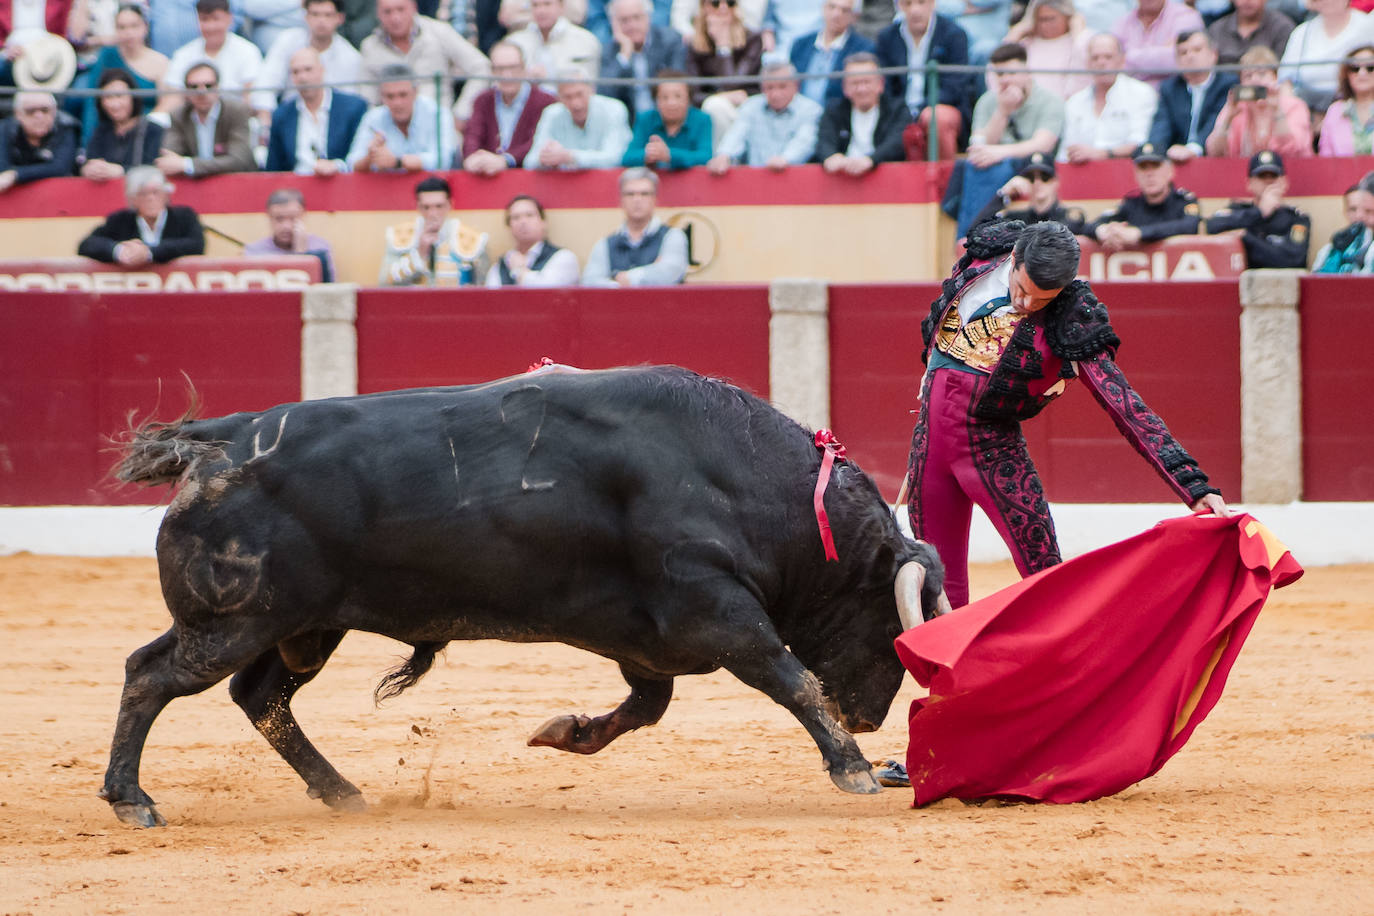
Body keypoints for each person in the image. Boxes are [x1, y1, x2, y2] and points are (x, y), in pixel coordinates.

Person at [901, 218, 1229, 609]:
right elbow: (941, 318)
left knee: (1048, 580)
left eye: (1041, 300)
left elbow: (1123, 403)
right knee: (937, 588)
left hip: (991, 451)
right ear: (1015, 258)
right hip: (930, 445)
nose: (1026, 304)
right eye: (1022, 290)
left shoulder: (1071, 314)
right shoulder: (984, 255)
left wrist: (1192, 485)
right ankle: (946, 672)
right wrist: (932, 366)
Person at [358, 0, 491, 125]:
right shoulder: (370, 46)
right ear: (378, 14)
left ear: (414, 7)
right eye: (388, 11)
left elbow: (481, 66)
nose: (395, 18)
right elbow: (367, 98)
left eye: (400, 9)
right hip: (392, 131)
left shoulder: (439, 32)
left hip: (439, 126)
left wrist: (461, 114)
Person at [876, 0, 972, 161]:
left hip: (941, 107)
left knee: (935, 118)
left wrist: (920, 109)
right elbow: (885, 86)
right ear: (899, 5)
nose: (915, 10)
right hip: (899, 110)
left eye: (921, 2)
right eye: (908, 3)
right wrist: (903, 111)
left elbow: (954, 87)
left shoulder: (954, 34)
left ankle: (945, 180)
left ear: (933, 3)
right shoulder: (886, 37)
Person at [265, 47, 369, 173]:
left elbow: (360, 158)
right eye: (295, 72)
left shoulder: (353, 108)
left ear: (322, 70)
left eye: (308, 69)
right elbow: (273, 170)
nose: (302, 77)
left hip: (341, 185)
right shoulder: (282, 115)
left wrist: (337, 166)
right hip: (296, 188)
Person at [1058, 32, 1157, 163]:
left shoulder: (1142, 93)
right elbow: (1066, 152)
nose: (1101, 63)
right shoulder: (1075, 102)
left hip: (1128, 171)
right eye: (1095, 58)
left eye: (1108, 57)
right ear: (1087, 63)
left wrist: (1101, 153)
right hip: (1083, 173)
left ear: (1122, 61)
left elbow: (1139, 143)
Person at [158, 0, 267, 119]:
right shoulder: (183, 54)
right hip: (192, 124)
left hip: (235, 121)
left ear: (229, 19)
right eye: (204, 19)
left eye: (216, 19)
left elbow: (251, 99)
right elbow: (174, 98)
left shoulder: (248, 51)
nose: (210, 26)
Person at [707, 60, 821, 172]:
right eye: (770, 87)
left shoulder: (811, 110)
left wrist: (785, 159)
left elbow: (804, 142)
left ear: (796, 86)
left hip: (794, 178)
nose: (776, 94)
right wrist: (724, 156)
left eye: (782, 86)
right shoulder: (751, 106)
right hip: (756, 180)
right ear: (762, 88)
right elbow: (737, 133)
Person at [460, 41, 557, 173]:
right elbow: (472, 135)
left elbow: (538, 142)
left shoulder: (545, 101)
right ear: (492, 72)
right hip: (486, 177)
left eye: (513, 68)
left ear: (524, 68)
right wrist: (472, 158)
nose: (507, 75)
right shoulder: (482, 100)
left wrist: (506, 160)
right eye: (499, 69)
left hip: (528, 179)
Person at [76, 3, 167, 143]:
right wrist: (87, 143)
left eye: (134, 26)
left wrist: (141, 124)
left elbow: (167, 103)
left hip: (147, 135)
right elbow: (92, 101)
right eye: (122, 27)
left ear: (145, 27)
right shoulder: (107, 55)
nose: (128, 32)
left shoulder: (161, 62)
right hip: (110, 136)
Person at [582, 166, 688, 285]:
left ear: (655, 199)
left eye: (644, 194)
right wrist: (618, 285)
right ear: (621, 200)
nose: (637, 199)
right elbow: (589, 282)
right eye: (630, 194)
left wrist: (628, 278)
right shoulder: (605, 244)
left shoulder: (673, 236)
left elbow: (670, 272)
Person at [77, 165, 205, 263]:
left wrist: (149, 253)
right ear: (133, 199)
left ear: (166, 195)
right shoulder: (120, 219)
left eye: (156, 192)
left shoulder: (184, 216)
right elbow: (87, 244)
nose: (150, 199)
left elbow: (196, 245)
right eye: (143, 194)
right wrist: (119, 251)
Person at [1204, 151, 1310, 270]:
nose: (1268, 181)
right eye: (1262, 176)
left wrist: (1246, 238)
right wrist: (1259, 212)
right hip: (1239, 282)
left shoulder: (1296, 218)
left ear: (1284, 182)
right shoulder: (1238, 211)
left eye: (1274, 176)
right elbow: (1211, 227)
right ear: (1249, 183)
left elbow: (1293, 259)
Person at [256, 0, 364, 116]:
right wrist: (266, 121)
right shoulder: (287, 40)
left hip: (331, 123)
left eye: (328, 15)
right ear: (306, 16)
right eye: (315, 14)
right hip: (288, 120)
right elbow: (266, 85)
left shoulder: (351, 57)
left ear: (340, 18)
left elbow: (349, 104)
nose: (321, 21)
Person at [1144, 29, 1236, 163]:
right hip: (1175, 160)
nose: (1190, 56)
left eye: (1197, 50)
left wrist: (1194, 149)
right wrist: (1155, 152)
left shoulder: (1228, 84)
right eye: (1183, 52)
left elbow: (1215, 121)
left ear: (1213, 55)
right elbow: (1161, 127)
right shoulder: (1169, 88)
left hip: (1214, 160)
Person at [380, 174, 491, 285]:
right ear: (417, 207)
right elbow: (384, 282)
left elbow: (482, 286)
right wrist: (419, 254)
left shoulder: (472, 239)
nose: (433, 214)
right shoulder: (399, 237)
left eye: (439, 206)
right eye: (426, 207)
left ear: (450, 205)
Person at [1205, 46, 1312, 160]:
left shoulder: (1294, 106)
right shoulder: (1236, 108)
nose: (1255, 80)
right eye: (1248, 76)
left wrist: (1277, 110)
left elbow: (1293, 151)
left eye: (1262, 74)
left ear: (1275, 77)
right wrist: (1228, 118)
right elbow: (1214, 152)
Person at [347, 63, 457, 171]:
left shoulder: (437, 113)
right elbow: (351, 164)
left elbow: (443, 161)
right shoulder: (373, 117)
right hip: (388, 187)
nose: (397, 103)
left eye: (403, 95)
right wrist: (370, 157)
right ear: (381, 96)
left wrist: (398, 162)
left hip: (428, 187)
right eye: (390, 96)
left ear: (416, 92)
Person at [1090, 142, 1201, 250]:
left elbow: (1190, 226)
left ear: (1170, 171)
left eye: (1155, 166)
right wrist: (1104, 231)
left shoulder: (1183, 201)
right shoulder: (1131, 204)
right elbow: (1088, 226)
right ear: (1136, 174)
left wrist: (1139, 233)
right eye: (1143, 167)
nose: (1149, 174)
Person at [156, 62, 259, 177]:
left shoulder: (236, 111)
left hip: (237, 183)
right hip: (195, 186)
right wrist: (181, 164)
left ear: (218, 88)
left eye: (208, 86)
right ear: (186, 92)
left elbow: (238, 160)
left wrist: (188, 165)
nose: (202, 92)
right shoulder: (179, 115)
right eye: (194, 87)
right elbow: (170, 158)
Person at [685, 0, 765, 145]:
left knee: (716, 107)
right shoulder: (694, 45)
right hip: (708, 109)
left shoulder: (752, 39)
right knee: (715, 106)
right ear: (704, 7)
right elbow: (692, 94)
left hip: (745, 107)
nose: (723, 8)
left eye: (730, 3)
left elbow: (734, 84)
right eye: (715, 3)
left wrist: (723, 47)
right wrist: (721, 96)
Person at [816, 51, 910, 175]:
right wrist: (831, 156)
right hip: (842, 178)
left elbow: (897, 143)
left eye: (867, 82)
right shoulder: (834, 110)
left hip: (885, 178)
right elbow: (823, 141)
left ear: (880, 84)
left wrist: (871, 160)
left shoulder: (897, 109)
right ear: (845, 87)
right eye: (855, 83)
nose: (861, 89)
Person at [525, 65, 633, 168]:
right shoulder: (551, 113)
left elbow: (615, 158)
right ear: (558, 97)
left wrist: (570, 156)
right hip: (564, 184)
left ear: (592, 89)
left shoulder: (614, 109)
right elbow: (530, 161)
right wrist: (547, 158)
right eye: (567, 97)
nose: (575, 104)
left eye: (579, 94)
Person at [599, 0, 687, 124]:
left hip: (665, 120)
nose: (632, 25)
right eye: (624, 20)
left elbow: (677, 85)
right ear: (614, 24)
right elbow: (605, 96)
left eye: (637, 17)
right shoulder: (610, 51)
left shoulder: (670, 41)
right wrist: (624, 56)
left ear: (648, 17)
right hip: (629, 123)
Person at [1278, 0, 1374, 114]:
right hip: (1308, 113)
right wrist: (1297, 114)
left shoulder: (1368, 26)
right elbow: (1285, 82)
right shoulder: (1301, 32)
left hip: (1358, 111)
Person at [966, 152, 1088, 235]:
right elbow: (975, 231)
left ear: (1055, 181)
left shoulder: (1069, 217)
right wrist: (1003, 195)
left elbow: (1089, 229)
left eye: (1044, 177)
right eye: (1031, 178)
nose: (1037, 183)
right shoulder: (1016, 219)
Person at [80, 66, 165, 180]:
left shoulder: (153, 130)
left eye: (120, 96)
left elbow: (154, 170)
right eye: (108, 97)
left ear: (133, 97)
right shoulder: (101, 131)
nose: (115, 104)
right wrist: (88, 169)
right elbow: (90, 160)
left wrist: (121, 171)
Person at [789, 0, 874, 107]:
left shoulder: (863, 49)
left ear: (854, 17)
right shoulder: (801, 45)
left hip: (837, 118)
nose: (836, 14)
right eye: (832, 7)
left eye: (845, 10)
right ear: (823, 9)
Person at [621, 68, 713, 167]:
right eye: (664, 97)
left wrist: (669, 155)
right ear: (656, 100)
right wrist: (649, 154)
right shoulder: (645, 119)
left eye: (678, 96)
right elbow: (627, 157)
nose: (671, 103)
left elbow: (705, 156)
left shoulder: (702, 119)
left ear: (688, 99)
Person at [1002, 0, 1091, 101]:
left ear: (1067, 17)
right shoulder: (1026, 44)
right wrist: (1016, 33)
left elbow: (1084, 74)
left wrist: (1078, 33)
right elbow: (998, 69)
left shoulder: (1078, 41)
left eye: (1051, 19)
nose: (1045, 25)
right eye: (1041, 19)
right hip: (1028, 106)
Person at [486, 193, 582, 286]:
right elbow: (491, 298)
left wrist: (519, 271)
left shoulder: (563, 257)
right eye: (516, 217)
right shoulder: (500, 266)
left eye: (529, 215)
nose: (523, 222)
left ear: (543, 222)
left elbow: (549, 292)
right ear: (509, 226)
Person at [243, 187, 338, 281]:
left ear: (303, 216)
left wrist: (302, 252)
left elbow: (327, 291)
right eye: (279, 219)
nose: (286, 226)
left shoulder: (320, 248)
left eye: (293, 219)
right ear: (269, 217)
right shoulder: (255, 252)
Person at [505, 0, 601, 90]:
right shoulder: (514, 42)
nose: (541, 11)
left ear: (561, 6)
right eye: (535, 5)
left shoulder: (585, 41)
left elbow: (590, 85)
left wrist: (552, 75)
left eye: (547, 4)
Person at [0, 89, 78, 191]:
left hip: (57, 194)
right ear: (17, 114)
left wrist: (16, 174)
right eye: (30, 111)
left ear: (55, 111)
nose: (39, 116)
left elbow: (60, 167)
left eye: (45, 110)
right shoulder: (6, 128)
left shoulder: (66, 126)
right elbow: (2, 168)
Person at [1111, 0, 1203, 85]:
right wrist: (1161, 54)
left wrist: (1129, 56)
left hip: (1174, 95)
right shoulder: (1123, 23)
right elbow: (1112, 64)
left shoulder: (1186, 16)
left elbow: (1176, 59)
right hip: (1131, 94)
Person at [1318, 43, 1374, 155]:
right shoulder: (1335, 111)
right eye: (1355, 68)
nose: (1362, 73)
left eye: (1370, 68)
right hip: (1342, 172)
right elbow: (1326, 156)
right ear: (1346, 74)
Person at [1313, 170, 1374, 272]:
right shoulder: (1334, 247)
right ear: (1345, 211)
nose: (1360, 216)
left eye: (1368, 211)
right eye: (1353, 209)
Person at [1206, 0, 1294, 66]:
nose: (1247, 1)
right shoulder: (1216, 30)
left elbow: (1283, 70)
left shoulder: (1282, 27)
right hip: (1224, 89)